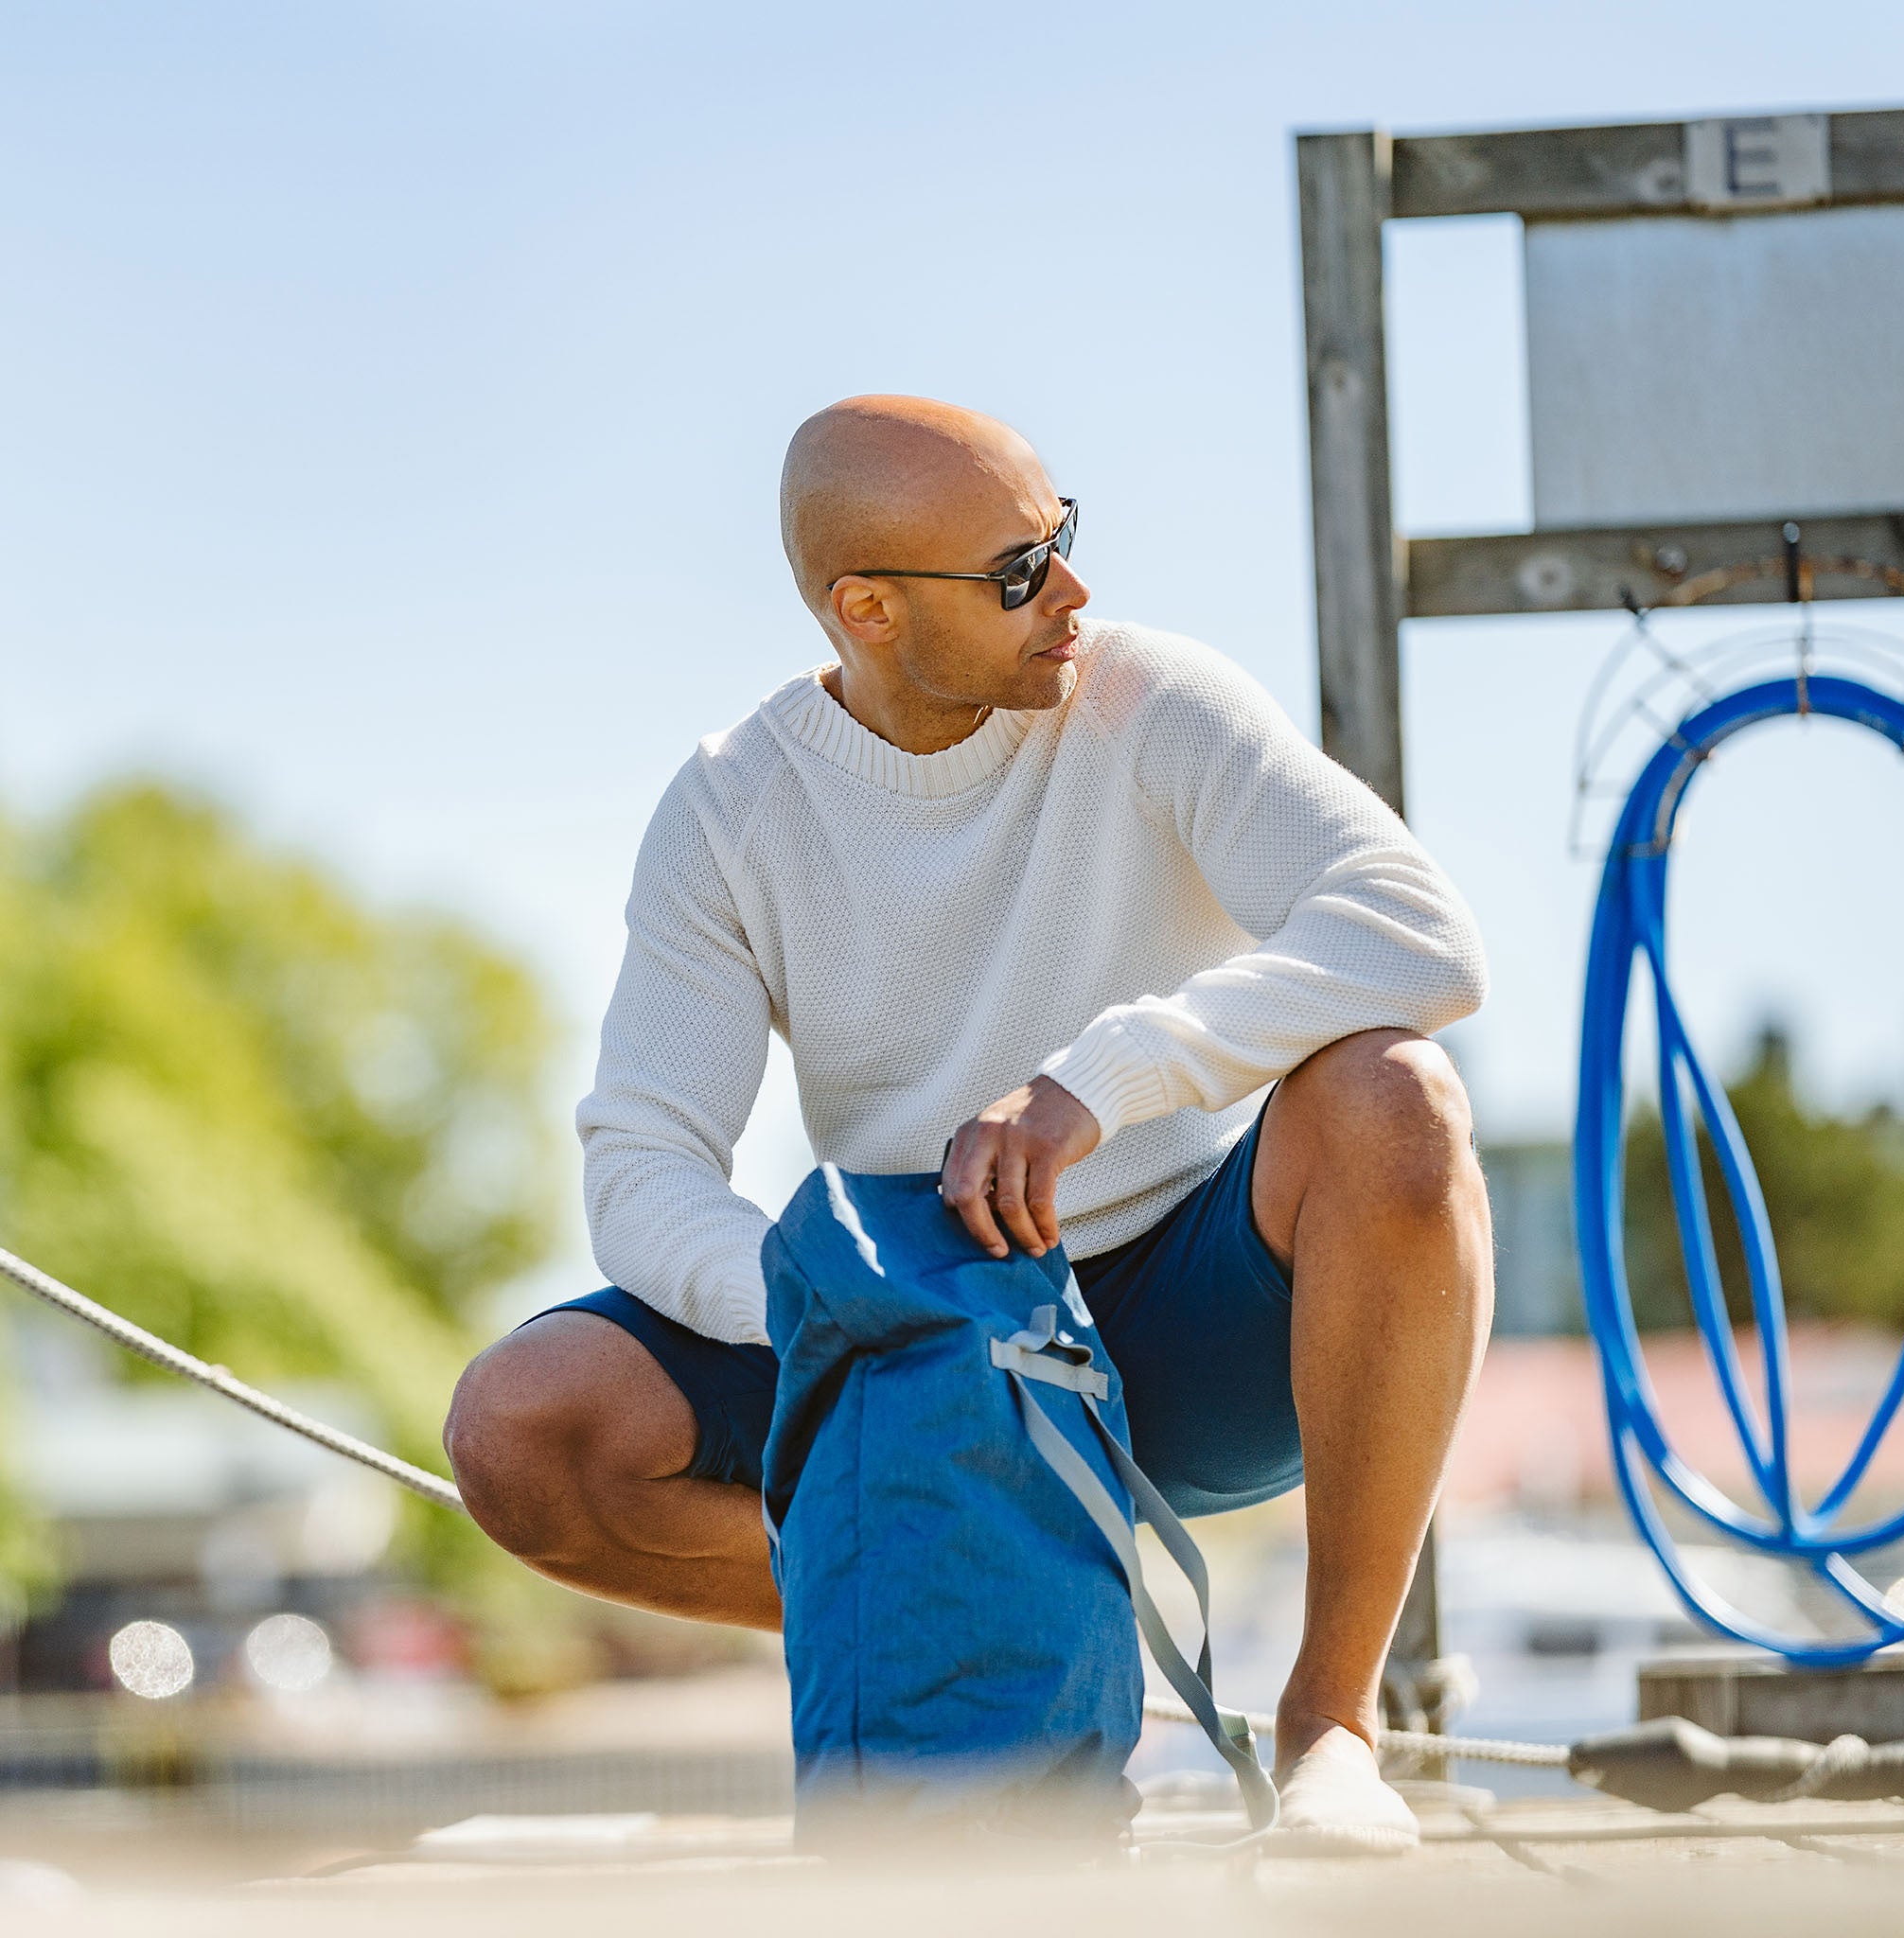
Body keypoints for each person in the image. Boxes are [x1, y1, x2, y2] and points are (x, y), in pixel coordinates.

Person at [444, 395, 1493, 1853]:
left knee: (1397, 1098)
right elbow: (641, 1164)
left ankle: (1334, 1729)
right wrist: (857, 1310)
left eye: (1063, 537)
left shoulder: (1150, 698)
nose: (1071, 593)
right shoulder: (732, 804)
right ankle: (1006, 1584)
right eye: (1017, 573)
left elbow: (1420, 936)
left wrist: (1099, 1079)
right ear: (866, 609)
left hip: (1189, 1314)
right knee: (522, 1428)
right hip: (913, 1351)